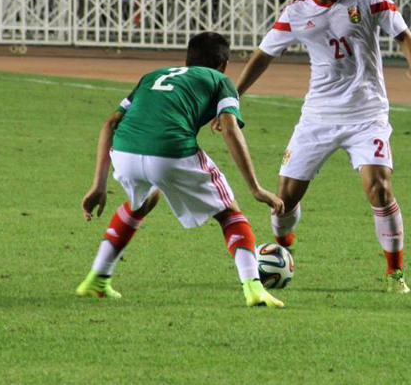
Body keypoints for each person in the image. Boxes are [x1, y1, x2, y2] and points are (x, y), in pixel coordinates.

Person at [225, 0, 411, 294]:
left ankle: (395, 274)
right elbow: (262, 56)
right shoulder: (297, 11)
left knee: (379, 188)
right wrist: (234, 96)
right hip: (318, 116)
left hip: (367, 113)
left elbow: (403, 35)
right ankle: (283, 252)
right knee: (283, 201)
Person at [76, 32, 286, 308]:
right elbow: (230, 128)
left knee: (145, 200)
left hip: (125, 151)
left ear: (187, 60)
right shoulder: (221, 80)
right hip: (169, 151)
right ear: (223, 66)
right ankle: (253, 287)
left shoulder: (153, 75)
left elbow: (110, 123)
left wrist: (98, 184)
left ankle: (96, 279)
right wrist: (255, 188)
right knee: (229, 213)